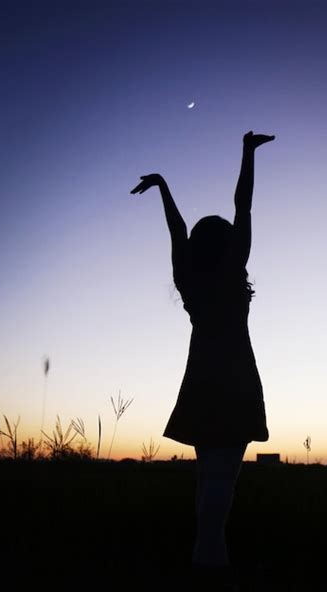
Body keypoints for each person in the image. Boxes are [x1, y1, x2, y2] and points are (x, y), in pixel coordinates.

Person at [130, 130, 274, 590]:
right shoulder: (231, 277)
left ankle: (205, 565)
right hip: (233, 388)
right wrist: (247, 153)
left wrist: (164, 186)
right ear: (228, 245)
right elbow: (243, 208)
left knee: (208, 489)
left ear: (197, 246)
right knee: (217, 491)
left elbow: (178, 229)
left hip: (202, 388)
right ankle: (210, 571)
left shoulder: (190, 283)